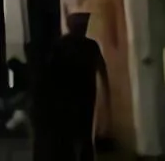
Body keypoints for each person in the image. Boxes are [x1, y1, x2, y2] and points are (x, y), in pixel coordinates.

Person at [35, 12, 110, 161]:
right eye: (81, 25)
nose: (83, 28)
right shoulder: (80, 45)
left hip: (77, 95)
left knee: (78, 131)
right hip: (76, 95)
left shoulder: (68, 45)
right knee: (78, 131)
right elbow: (101, 69)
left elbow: (101, 68)